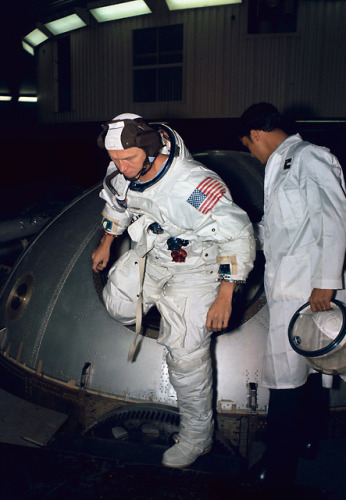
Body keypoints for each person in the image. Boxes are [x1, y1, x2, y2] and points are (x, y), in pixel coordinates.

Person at [92, 113, 256, 468]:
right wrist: (107, 242)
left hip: (197, 272)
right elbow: (117, 204)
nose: (121, 166)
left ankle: (198, 438)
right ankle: (156, 302)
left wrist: (225, 294)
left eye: (128, 159)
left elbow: (238, 234)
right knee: (117, 304)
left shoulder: (194, 186)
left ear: (149, 150)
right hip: (153, 256)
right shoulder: (122, 172)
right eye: (115, 160)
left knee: (186, 357)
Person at [237, 102, 346, 489]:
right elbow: (275, 230)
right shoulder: (281, 164)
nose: (252, 155)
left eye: (249, 147)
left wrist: (326, 282)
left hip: (310, 286)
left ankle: (278, 467)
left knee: (285, 378)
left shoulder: (310, 157)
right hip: (289, 285)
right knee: (309, 365)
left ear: (255, 135)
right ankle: (307, 438)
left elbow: (336, 216)